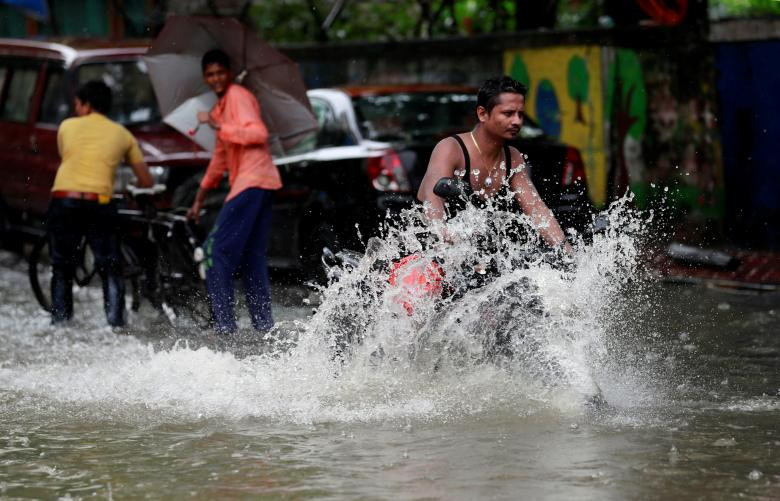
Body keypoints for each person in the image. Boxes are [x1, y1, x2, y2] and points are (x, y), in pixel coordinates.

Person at [417, 76, 573, 253]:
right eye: (508, 113)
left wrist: (566, 251)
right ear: (482, 114)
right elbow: (431, 202)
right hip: (434, 254)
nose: (517, 121)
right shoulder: (452, 148)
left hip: (481, 258)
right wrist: (445, 238)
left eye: (520, 114)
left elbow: (537, 209)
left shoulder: (512, 157)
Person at [186, 48, 282, 335]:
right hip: (261, 184)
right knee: (252, 259)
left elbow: (258, 135)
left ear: (228, 73)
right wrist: (198, 200)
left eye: (220, 72)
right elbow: (220, 161)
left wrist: (218, 125)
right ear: (205, 77)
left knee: (213, 253)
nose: (215, 78)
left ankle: (224, 329)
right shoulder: (222, 107)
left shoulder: (238, 97)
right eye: (210, 74)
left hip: (252, 183)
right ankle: (264, 328)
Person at [48, 80, 153, 327]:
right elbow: (146, 180)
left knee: (61, 266)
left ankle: (60, 324)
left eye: (77, 105)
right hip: (100, 202)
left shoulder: (66, 126)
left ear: (86, 105)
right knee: (110, 266)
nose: (76, 110)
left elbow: (69, 158)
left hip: (65, 198)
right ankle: (116, 325)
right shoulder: (123, 134)